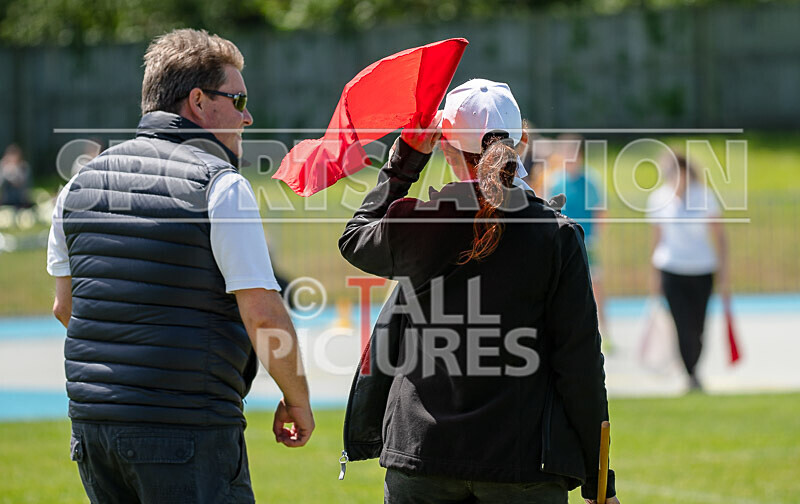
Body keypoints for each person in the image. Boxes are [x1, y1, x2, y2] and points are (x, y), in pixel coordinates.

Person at [46, 29, 314, 503]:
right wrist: (298, 400)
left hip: (92, 429)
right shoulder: (220, 185)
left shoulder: (76, 186)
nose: (247, 116)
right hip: (186, 427)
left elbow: (65, 308)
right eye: (238, 100)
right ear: (198, 101)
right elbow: (263, 316)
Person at [338, 79, 618, 504]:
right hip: (521, 463)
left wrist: (404, 163)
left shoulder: (421, 224)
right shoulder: (556, 236)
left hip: (421, 456)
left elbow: (355, 237)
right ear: (522, 144)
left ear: (445, 149)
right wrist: (600, 482)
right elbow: (579, 365)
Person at [647, 152, 729, 391]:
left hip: (702, 269)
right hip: (671, 269)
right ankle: (690, 373)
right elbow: (657, 239)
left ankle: (694, 366)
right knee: (681, 323)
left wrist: (725, 272)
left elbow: (719, 236)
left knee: (698, 326)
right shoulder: (658, 198)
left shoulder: (704, 196)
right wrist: (653, 274)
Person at [545, 134, 609, 343]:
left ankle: (605, 331)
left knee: (595, 286)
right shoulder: (555, 181)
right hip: (563, 243)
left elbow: (600, 211)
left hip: (587, 241)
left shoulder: (590, 180)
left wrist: (596, 236)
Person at [0, 143, 32, 208]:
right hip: (6, 200)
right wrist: (6, 171)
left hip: (20, 200)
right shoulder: (4, 166)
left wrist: (15, 172)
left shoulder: (24, 167)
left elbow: (24, 183)